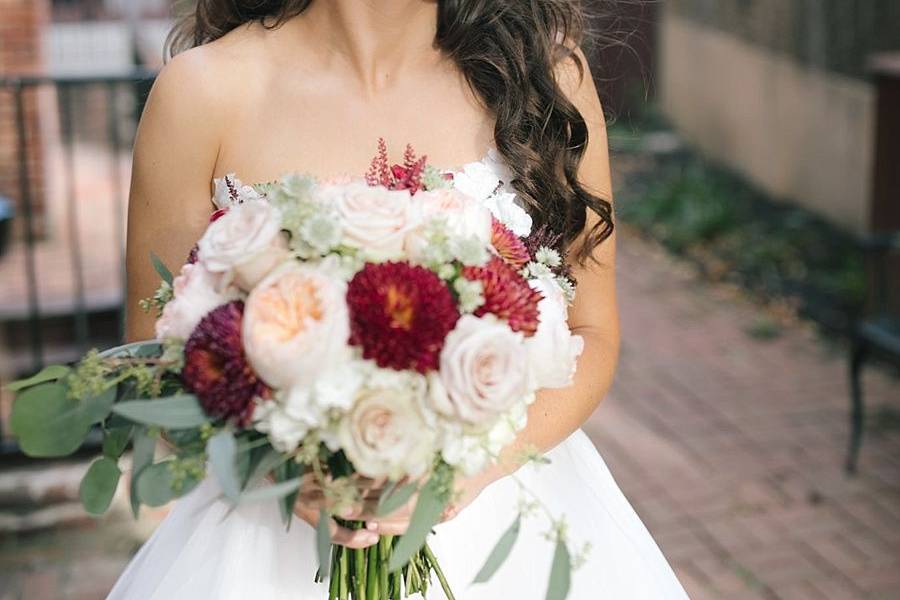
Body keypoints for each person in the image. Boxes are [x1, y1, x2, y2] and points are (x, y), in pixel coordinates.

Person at [112, 1, 689, 598]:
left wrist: (472, 468)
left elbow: (592, 334)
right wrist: (284, 475)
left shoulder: (545, 74)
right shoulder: (200, 93)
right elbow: (155, 368)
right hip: (272, 546)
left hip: (506, 524)